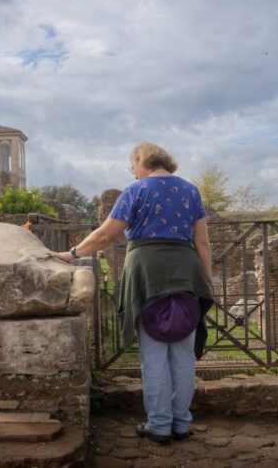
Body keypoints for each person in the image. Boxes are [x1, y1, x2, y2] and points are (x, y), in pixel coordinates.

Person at [51, 142, 213, 444]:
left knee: (153, 356)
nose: (133, 173)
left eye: (132, 167)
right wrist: (206, 280)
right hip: (186, 275)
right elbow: (202, 242)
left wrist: (71, 253)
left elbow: (105, 234)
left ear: (142, 161)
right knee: (182, 356)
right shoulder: (191, 191)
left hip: (147, 275)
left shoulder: (136, 191)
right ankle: (180, 423)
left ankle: (160, 425)